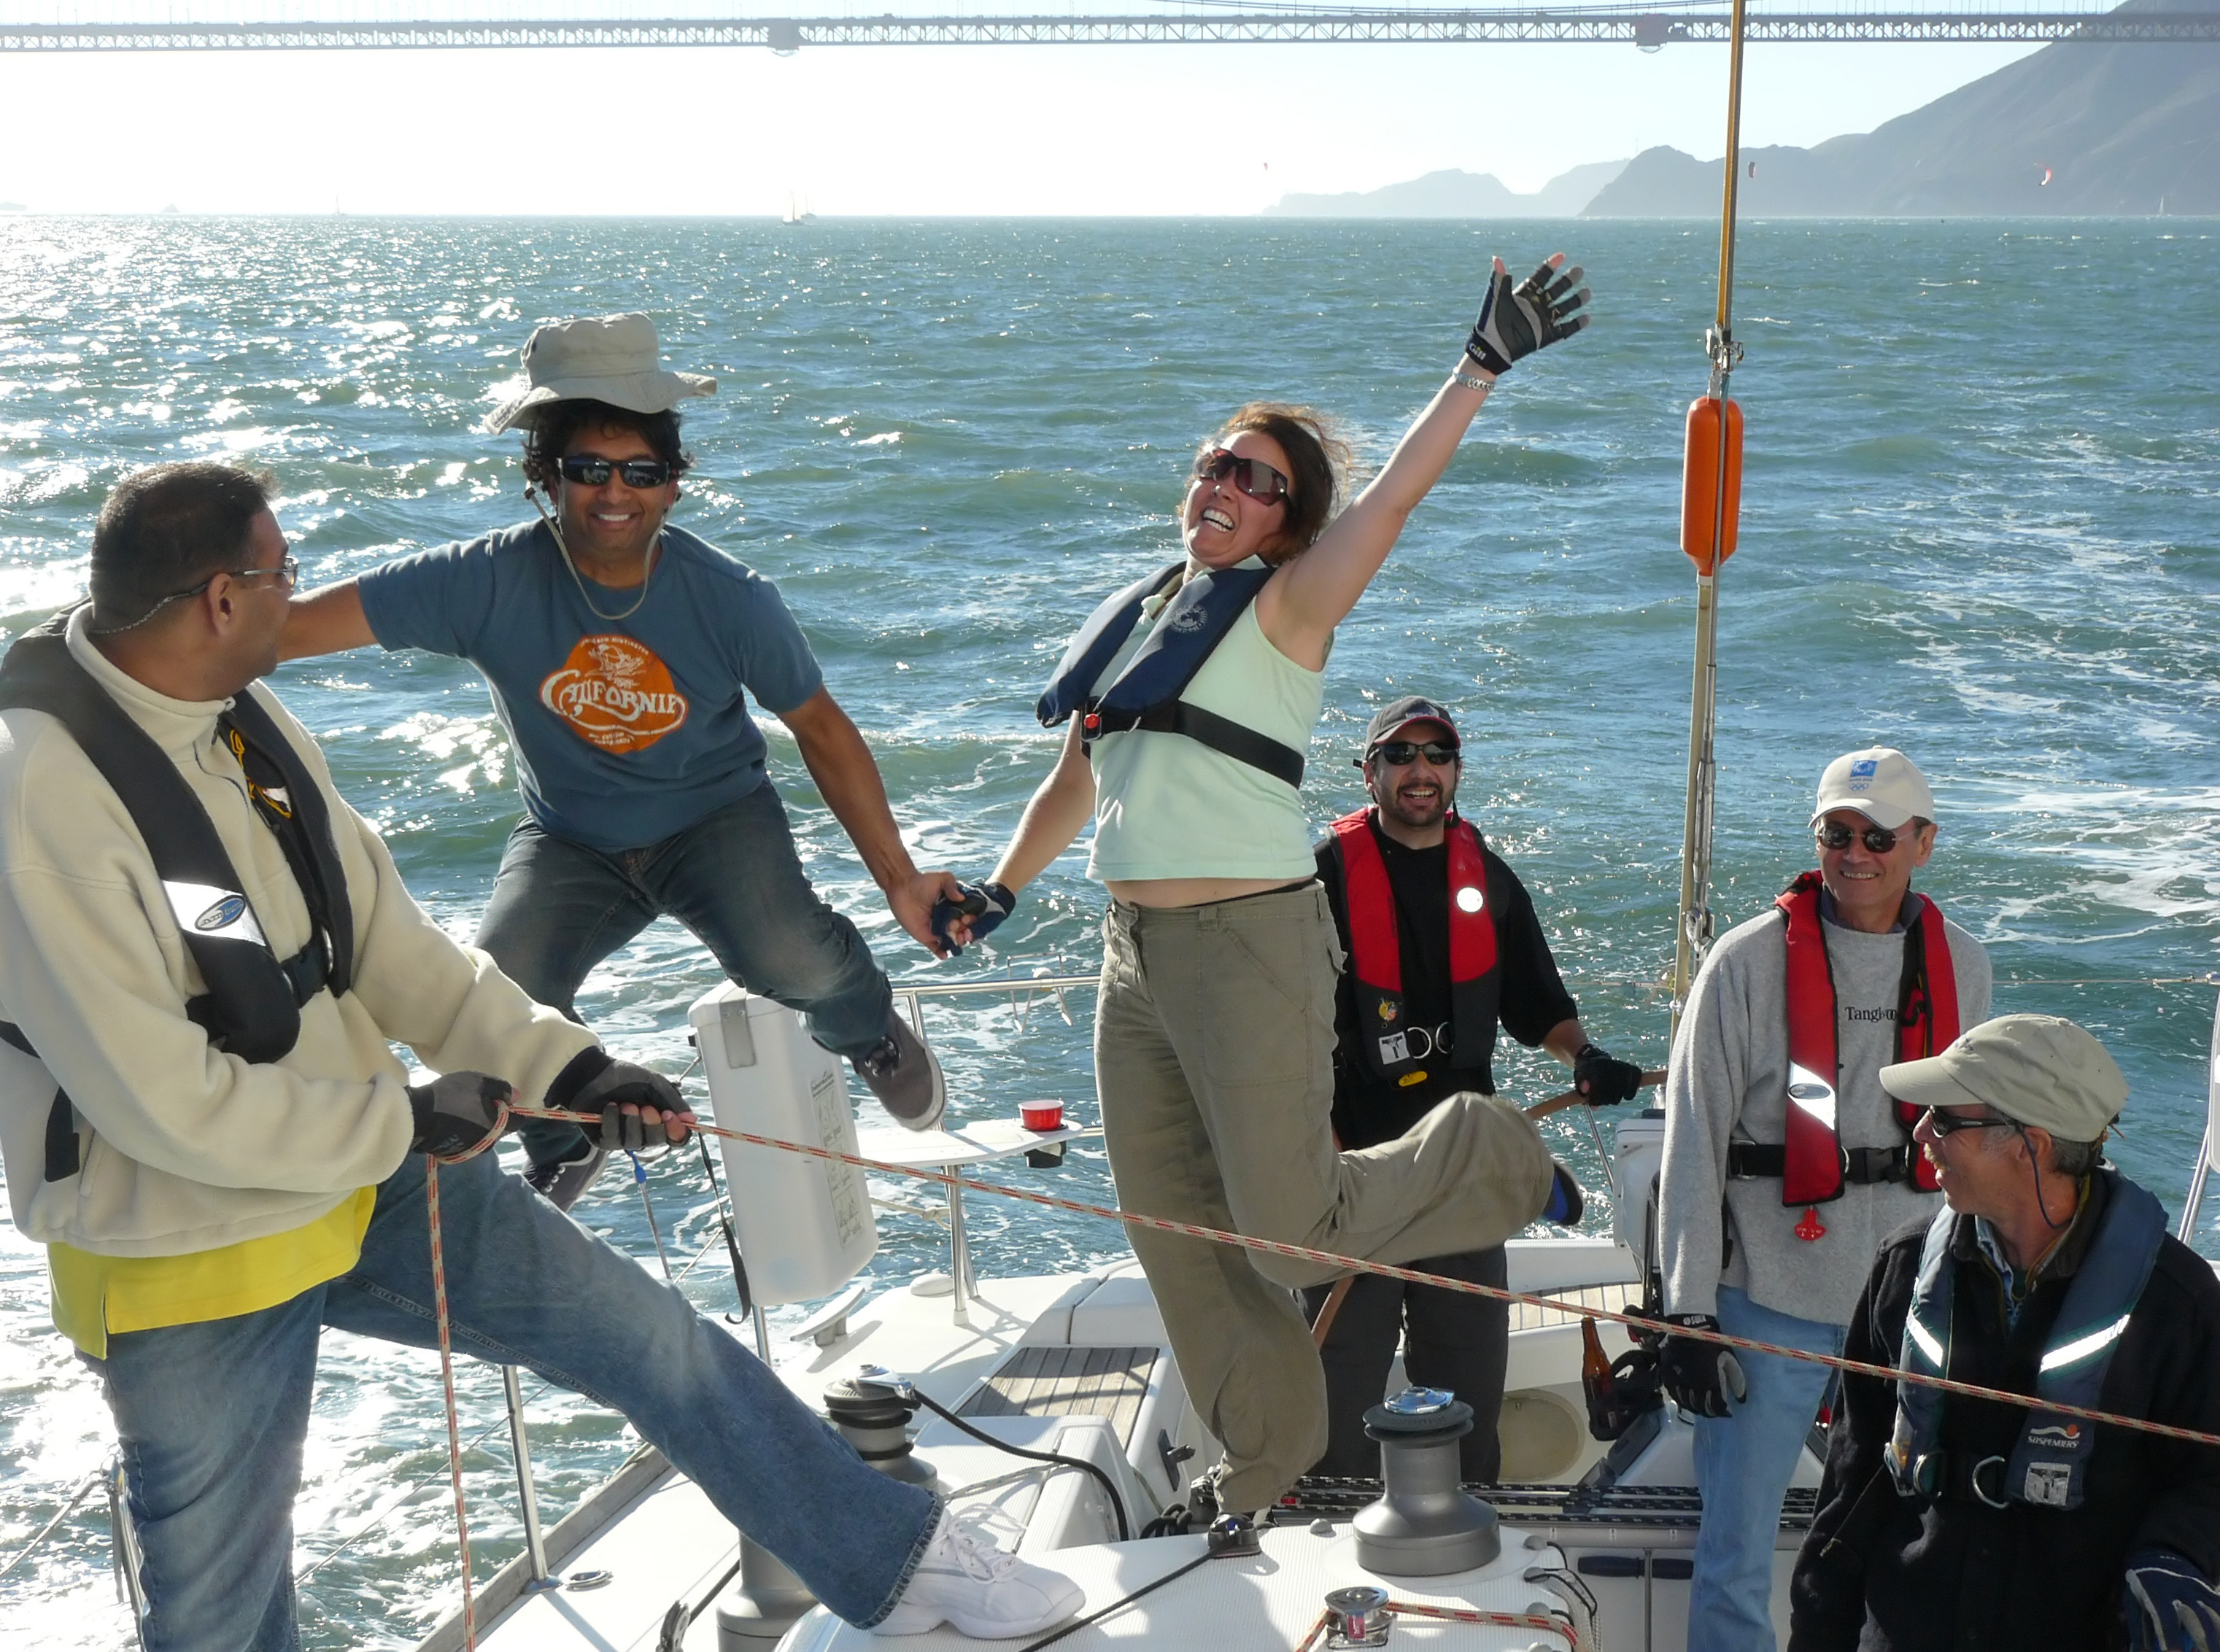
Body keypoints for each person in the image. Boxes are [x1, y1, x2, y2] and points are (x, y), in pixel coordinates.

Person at [0, 463, 1080, 1650]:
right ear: (221, 599)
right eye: (282, 576)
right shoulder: (40, 795)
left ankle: (898, 1561)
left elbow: (390, 945)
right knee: (222, 1614)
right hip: (191, 1251)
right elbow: (158, 1104)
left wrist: (568, 1068)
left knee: (653, 1340)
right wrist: (407, 1120)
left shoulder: (239, 715)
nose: (294, 599)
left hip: (359, 1175)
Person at [944, 255, 1595, 1513]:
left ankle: (1488, 1151)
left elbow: (1392, 502)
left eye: (1257, 480)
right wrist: (1002, 890)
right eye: (1213, 464)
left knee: (1291, 1229)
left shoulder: (1287, 608)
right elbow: (1077, 779)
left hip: (1246, 940)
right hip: (1132, 953)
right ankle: (1264, 1457)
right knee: (1175, 1231)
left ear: (1288, 526)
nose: (1223, 486)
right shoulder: (1145, 622)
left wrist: (1478, 367)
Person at [279, 313, 960, 1210]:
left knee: (793, 959)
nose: (614, 492)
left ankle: (869, 1031)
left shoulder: (732, 598)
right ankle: (562, 1139)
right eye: (587, 469)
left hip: (715, 821)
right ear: (546, 477)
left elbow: (822, 730)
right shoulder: (479, 581)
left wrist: (900, 881)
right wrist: (152, 646)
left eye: (640, 471)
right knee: (495, 997)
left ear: (673, 486)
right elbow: (286, 633)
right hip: (569, 840)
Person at [1657, 745, 1993, 1652]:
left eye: (1878, 837)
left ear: (1922, 842)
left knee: (1910, 1541)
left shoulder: (1963, 963)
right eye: (1835, 834)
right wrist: (1687, 1314)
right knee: (1735, 1549)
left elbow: (1979, 1142)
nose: (1856, 855)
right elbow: (1694, 1137)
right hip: (1770, 1299)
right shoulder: (1743, 963)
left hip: (1909, 1310)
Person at [1300, 695, 1649, 1482]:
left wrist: (1585, 1056)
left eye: (1437, 755)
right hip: (1350, 1172)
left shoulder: (1485, 878)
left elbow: (1539, 1003)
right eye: (1400, 755)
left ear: (1456, 771)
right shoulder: (1320, 879)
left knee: (1466, 1388)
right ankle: (1324, 1523)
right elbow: (1278, 1025)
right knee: (1335, 1391)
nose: (1420, 770)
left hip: (1461, 1180)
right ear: (1368, 773)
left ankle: (1464, 1525)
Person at [1789, 1015, 2220, 1652]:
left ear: (2030, 1145)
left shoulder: (2176, 1302)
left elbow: (2208, 1479)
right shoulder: (1902, 1268)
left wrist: (2171, 1555)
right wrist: (1815, 1633)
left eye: (1945, 1120)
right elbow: (1851, 1480)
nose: (1920, 1133)